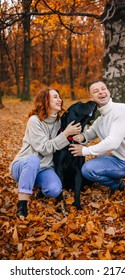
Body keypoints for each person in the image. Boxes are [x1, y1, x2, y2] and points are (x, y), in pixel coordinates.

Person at [69, 80, 125, 196]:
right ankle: (118, 185)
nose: (101, 92)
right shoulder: (100, 120)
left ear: (108, 91)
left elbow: (113, 143)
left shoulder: (122, 110)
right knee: (88, 169)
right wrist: (82, 136)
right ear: (91, 98)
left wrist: (85, 151)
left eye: (103, 89)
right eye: (96, 91)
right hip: (119, 162)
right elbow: (89, 134)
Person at [10, 87, 81, 219]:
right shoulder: (34, 121)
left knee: (54, 189)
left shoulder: (59, 122)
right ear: (45, 100)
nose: (59, 100)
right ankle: (22, 206)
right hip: (23, 165)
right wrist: (65, 134)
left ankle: (35, 184)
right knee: (33, 161)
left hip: (44, 168)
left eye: (59, 97)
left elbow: (74, 133)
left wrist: (81, 137)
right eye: (55, 97)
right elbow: (44, 148)